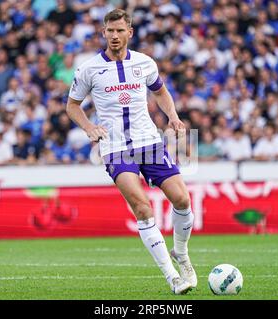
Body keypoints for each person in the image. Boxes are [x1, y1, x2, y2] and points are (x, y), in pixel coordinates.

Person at [66, 9, 196, 295]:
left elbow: (160, 91)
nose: (114, 36)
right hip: (115, 148)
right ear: (104, 33)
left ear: (130, 33)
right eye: (109, 31)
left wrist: (173, 116)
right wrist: (89, 127)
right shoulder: (89, 69)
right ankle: (173, 277)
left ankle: (181, 253)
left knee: (182, 199)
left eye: (119, 31)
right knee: (142, 208)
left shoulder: (145, 63)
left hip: (149, 142)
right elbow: (72, 106)